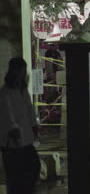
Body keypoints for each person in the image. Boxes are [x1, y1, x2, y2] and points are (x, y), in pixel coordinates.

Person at [0, 58, 41, 194]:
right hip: (12, 144)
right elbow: (8, 117)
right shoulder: (5, 93)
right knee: (17, 179)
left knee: (32, 171)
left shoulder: (23, 91)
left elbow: (29, 110)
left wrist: (34, 126)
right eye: (20, 71)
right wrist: (16, 136)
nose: (22, 74)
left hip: (26, 140)